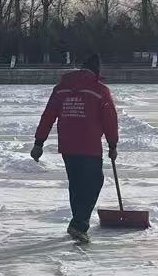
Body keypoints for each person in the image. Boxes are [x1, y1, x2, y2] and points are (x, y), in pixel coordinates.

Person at [30, 53, 119, 243]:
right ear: (97, 71)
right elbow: (110, 119)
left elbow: (48, 116)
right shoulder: (100, 90)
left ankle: (78, 222)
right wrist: (113, 144)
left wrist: (39, 143)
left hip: (68, 146)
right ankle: (79, 224)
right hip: (90, 146)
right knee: (94, 182)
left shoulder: (61, 89)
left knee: (77, 184)